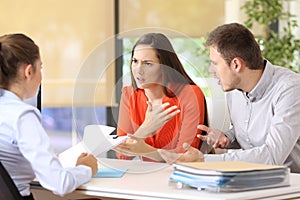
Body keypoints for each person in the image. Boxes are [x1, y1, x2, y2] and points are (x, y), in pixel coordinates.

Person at [158, 23, 300, 173]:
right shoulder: (234, 89)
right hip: (252, 179)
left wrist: (204, 160)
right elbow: (251, 133)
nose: (211, 71)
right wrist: (228, 137)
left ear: (236, 65)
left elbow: (272, 156)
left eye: (215, 64)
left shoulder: (290, 89)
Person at [0, 33, 98, 199]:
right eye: (41, 67)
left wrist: (48, 161)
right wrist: (86, 168)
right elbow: (59, 184)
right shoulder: (22, 116)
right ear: (28, 71)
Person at [115, 33, 207, 161]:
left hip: (181, 173)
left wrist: (145, 150)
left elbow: (186, 155)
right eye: (135, 61)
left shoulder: (189, 94)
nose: (138, 70)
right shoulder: (128, 94)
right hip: (145, 176)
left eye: (147, 63)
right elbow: (122, 155)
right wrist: (145, 128)